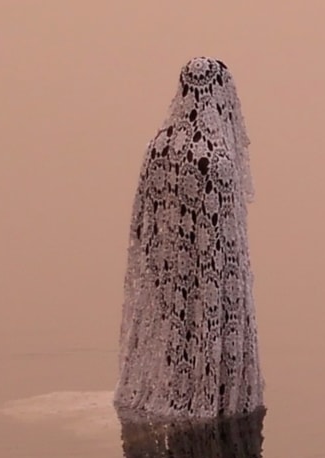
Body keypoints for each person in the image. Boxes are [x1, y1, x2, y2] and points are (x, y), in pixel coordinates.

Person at [115, 57, 263, 418]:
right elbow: (230, 256)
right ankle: (210, 409)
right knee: (205, 341)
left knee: (174, 343)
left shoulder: (157, 149)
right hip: (209, 286)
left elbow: (141, 227)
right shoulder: (219, 161)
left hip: (166, 279)